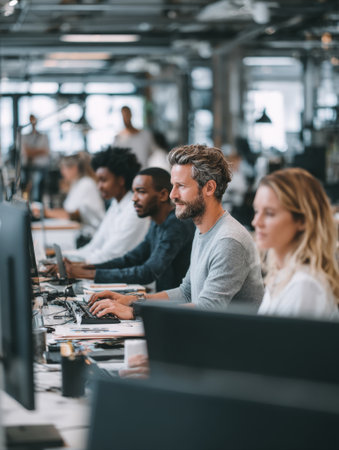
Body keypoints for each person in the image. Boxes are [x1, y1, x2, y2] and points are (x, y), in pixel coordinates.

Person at [88, 144, 264, 320]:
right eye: (173, 185)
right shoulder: (203, 230)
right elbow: (186, 292)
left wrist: (135, 311)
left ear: (209, 188)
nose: (172, 195)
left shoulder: (229, 240)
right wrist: (133, 300)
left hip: (229, 343)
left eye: (181, 186)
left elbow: (208, 308)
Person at [64, 167, 195, 292]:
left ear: (163, 195)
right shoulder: (157, 223)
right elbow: (130, 259)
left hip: (176, 308)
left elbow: (148, 272)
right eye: (134, 192)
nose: (134, 198)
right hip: (163, 301)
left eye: (141, 192)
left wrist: (87, 273)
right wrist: (83, 267)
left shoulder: (176, 225)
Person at [252, 167, 339, 319]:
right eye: (256, 211)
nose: (256, 222)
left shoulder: (304, 286)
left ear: (302, 220)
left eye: (270, 213)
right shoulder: (281, 276)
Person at [64, 147, 150, 264]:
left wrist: (73, 263)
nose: (99, 186)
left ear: (121, 180)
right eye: (98, 181)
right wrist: (66, 257)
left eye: (103, 180)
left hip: (128, 279)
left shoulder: (134, 210)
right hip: (112, 272)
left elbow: (110, 254)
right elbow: (94, 246)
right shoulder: (116, 205)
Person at [36, 152, 105, 235]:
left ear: (74, 168)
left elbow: (72, 215)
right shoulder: (77, 184)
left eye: (63, 168)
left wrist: (44, 212)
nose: (62, 172)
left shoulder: (86, 184)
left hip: (92, 233)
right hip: (84, 231)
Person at [21, 114, 50, 202]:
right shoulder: (24, 136)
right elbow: (26, 152)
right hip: (28, 167)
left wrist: (32, 151)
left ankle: (36, 208)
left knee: (38, 190)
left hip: (41, 167)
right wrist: (39, 151)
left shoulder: (43, 136)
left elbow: (46, 151)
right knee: (28, 189)